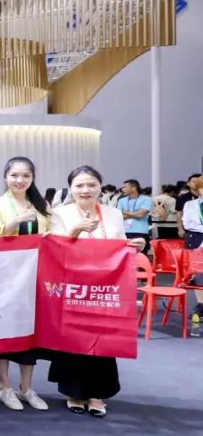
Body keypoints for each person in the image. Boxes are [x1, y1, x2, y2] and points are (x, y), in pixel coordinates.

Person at [49, 165, 145, 417]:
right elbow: (55, 249)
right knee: (74, 339)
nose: (86, 190)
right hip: (73, 287)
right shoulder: (59, 213)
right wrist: (75, 230)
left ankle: (97, 394)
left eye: (91, 184)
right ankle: (73, 392)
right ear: (70, 188)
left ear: (100, 187)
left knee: (104, 339)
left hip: (105, 287)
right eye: (79, 185)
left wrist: (136, 245)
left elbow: (120, 246)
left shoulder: (113, 214)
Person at [0, 156, 50, 412]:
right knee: (5, 330)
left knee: (30, 332)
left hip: (34, 275)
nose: (20, 180)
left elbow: (51, 236)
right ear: (5, 177)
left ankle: (26, 388)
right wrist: (15, 222)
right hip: (5, 276)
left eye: (26, 176)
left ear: (32, 178)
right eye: (15, 175)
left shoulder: (41, 205)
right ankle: (4, 387)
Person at [181, 176, 203, 321]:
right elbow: (187, 224)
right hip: (195, 239)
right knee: (198, 274)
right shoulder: (190, 204)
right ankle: (201, 304)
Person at [117, 179, 153, 255]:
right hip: (124, 232)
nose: (122, 189)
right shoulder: (121, 200)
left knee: (141, 256)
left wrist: (125, 212)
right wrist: (135, 214)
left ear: (134, 188)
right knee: (125, 256)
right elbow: (119, 216)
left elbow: (140, 215)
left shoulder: (146, 199)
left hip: (140, 231)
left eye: (125, 187)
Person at [176, 174, 202, 239]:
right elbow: (179, 214)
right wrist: (180, 229)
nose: (196, 183)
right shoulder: (183, 198)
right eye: (194, 181)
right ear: (188, 183)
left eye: (198, 182)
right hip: (192, 232)